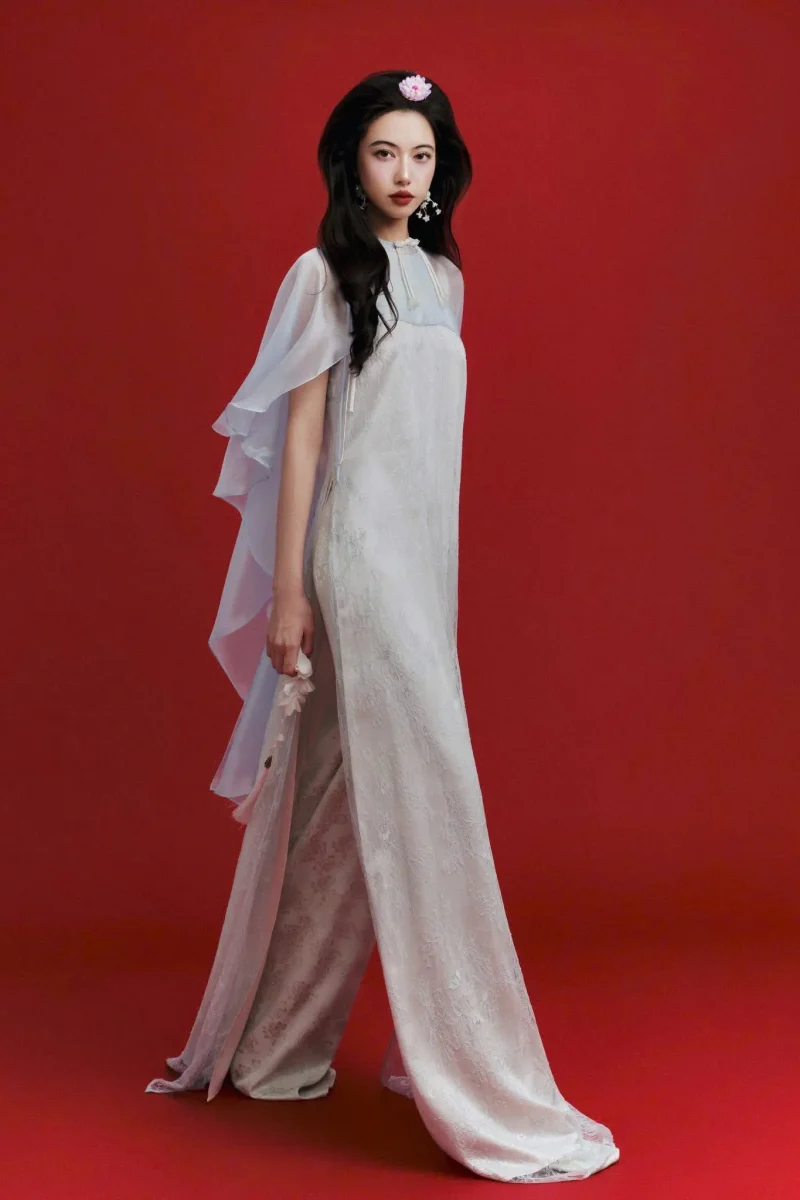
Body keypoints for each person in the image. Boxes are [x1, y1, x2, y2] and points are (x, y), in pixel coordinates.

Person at [146, 69, 620, 1184]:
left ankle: (274, 1050)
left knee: (336, 802)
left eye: (420, 154)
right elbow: (305, 439)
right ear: (348, 165)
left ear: (439, 168)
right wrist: (294, 592)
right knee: (426, 788)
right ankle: (473, 1063)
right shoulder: (323, 275)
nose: (403, 173)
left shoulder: (443, 278)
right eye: (382, 153)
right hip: (356, 563)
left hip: (422, 571)